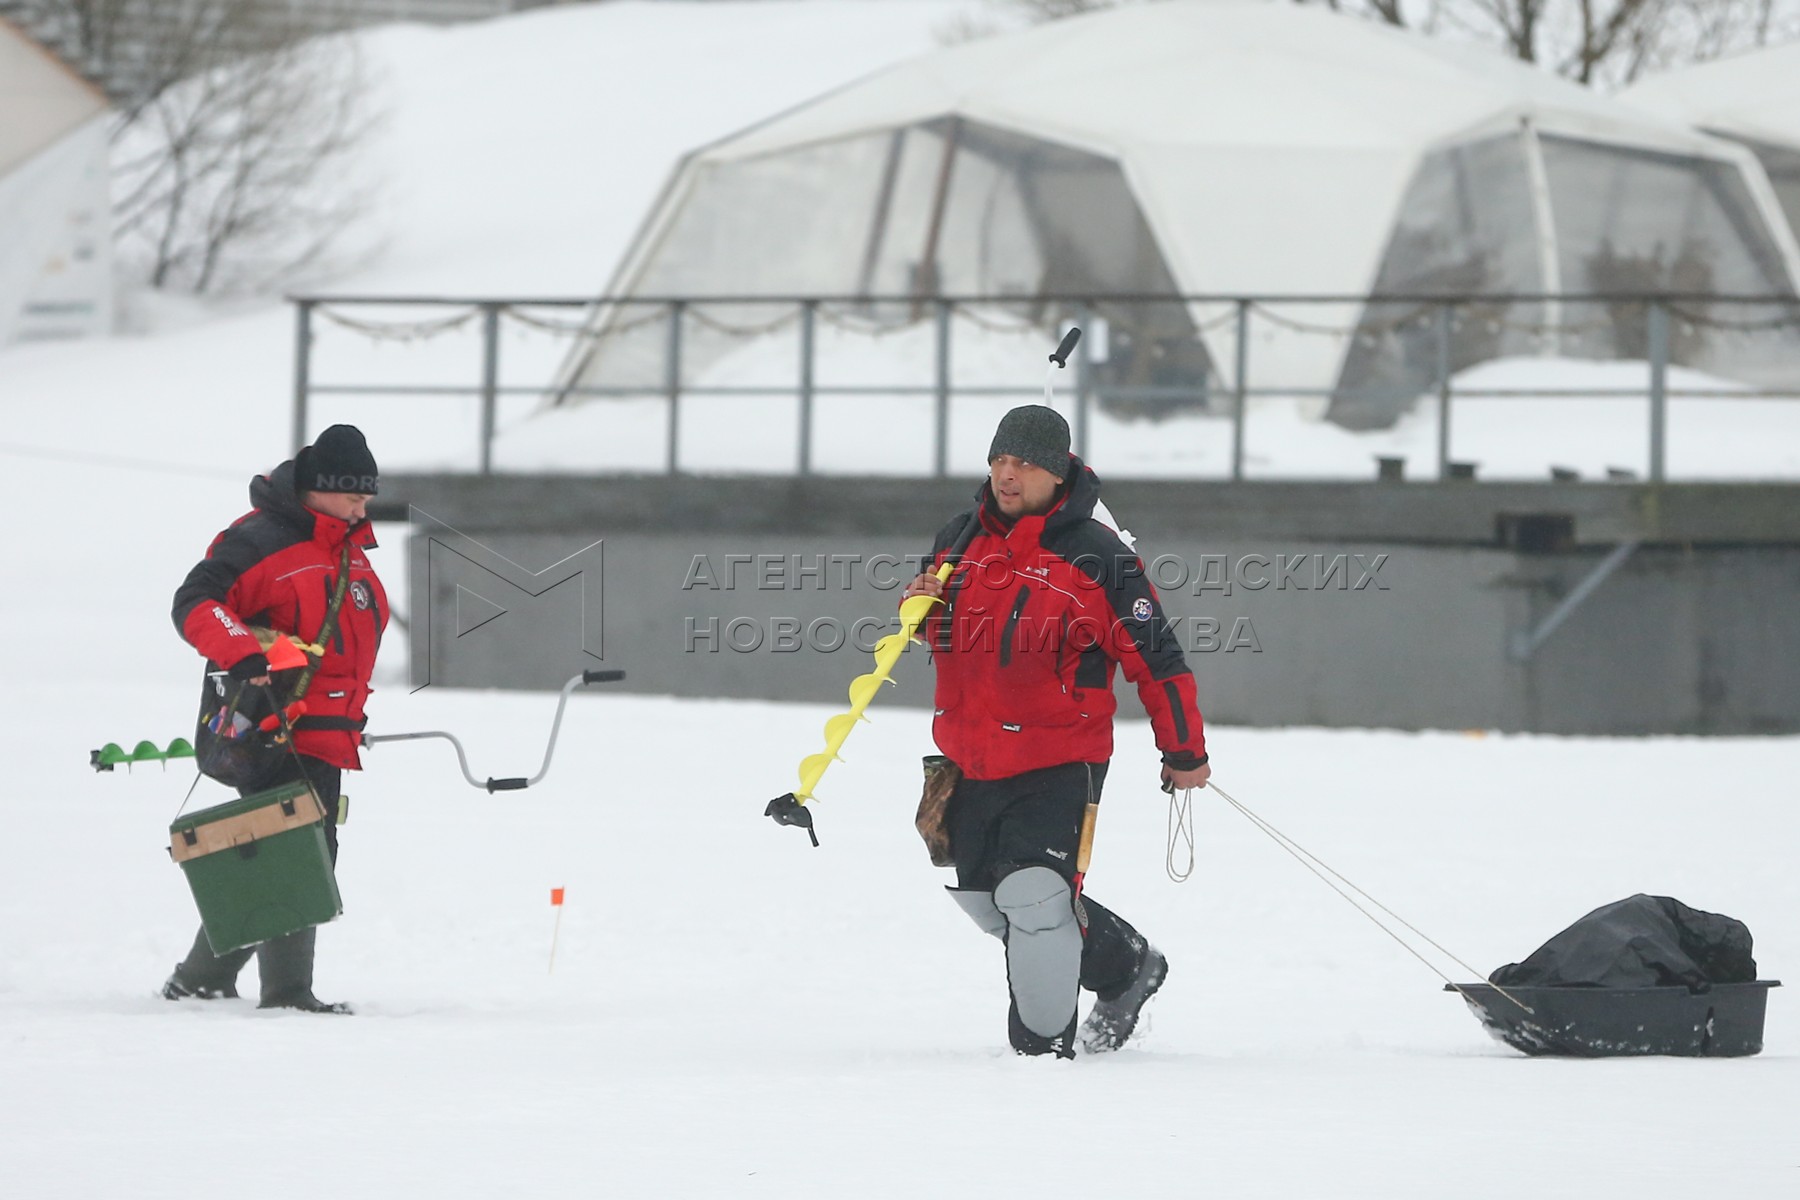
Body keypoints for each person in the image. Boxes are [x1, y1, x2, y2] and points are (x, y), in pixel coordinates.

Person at [903, 404, 1210, 1058]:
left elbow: (1157, 658)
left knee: (1036, 902)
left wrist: (1183, 749)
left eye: (1025, 463)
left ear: (1057, 471)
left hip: (1059, 760)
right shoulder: (960, 536)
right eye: (999, 460)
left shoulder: (1099, 557)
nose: (1007, 474)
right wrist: (919, 609)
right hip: (968, 757)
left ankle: (1040, 1061)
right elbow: (944, 635)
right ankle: (1127, 966)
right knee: (990, 903)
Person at [161, 424, 388, 1014]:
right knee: (294, 854)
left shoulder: (348, 550)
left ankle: (200, 980)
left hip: (329, 733)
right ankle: (287, 995)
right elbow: (196, 601)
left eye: (366, 499)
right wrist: (243, 652)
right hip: (274, 728)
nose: (362, 509)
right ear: (318, 488)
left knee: (282, 851)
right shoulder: (261, 541)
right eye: (353, 497)